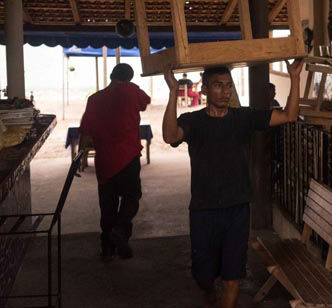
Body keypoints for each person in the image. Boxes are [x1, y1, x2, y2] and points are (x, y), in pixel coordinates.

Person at [162, 59, 304, 308]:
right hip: (203, 210)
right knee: (203, 276)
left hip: (237, 209)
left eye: (228, 86)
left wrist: (294, 77)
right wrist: (174, 92)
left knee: (232, 275)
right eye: (218, 86)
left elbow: (289, 115)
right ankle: (208, 293)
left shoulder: (243, 117)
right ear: (204, 89)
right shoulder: (192, 121)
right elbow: (169, 135)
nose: (225, 91)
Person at [79, 63, 151, 261]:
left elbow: (85, 130)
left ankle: (107, 246)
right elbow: (146, 102)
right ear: (130, 78)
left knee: (107, 205)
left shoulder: (94, 99)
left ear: (111, 75)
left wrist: (80, 157)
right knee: (131, 197)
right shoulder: (132, 91)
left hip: (105, 160)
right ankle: (121, 232)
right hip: (129, 157)